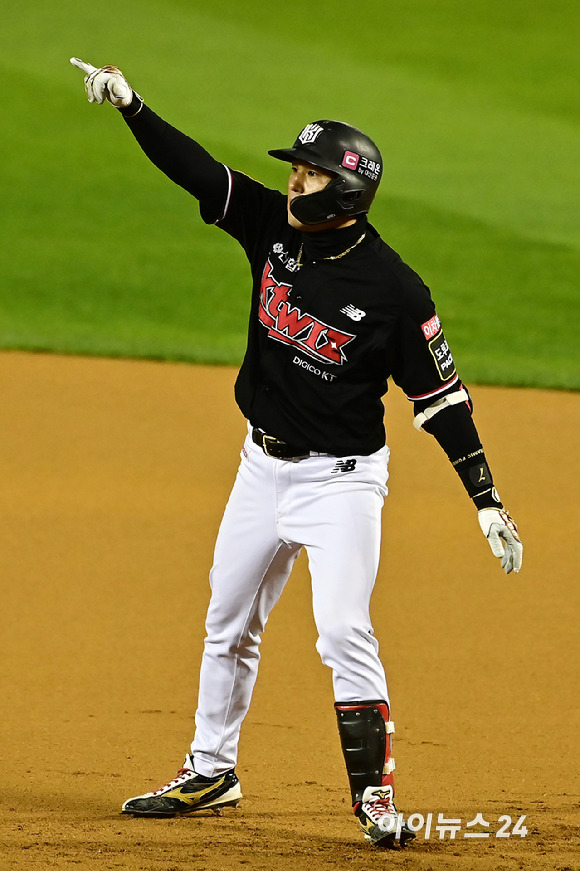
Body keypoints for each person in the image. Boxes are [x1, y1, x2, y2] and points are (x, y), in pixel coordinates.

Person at [70, 58, 523, 850]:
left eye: (309, 174)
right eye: (296, 169)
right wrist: (133, 105)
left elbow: (441, 398)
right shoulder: (272, 228)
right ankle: (211, 769)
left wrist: (484, 496)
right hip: (259, 468)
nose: (293, 183)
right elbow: (201, 172)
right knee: (226, 621)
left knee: (343, 629)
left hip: (341, 485)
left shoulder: (394, 290)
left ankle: (375, 799)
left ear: (344, 192)